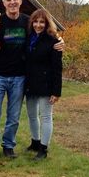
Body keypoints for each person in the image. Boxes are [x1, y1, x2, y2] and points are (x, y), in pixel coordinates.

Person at [0, 0, 64, 161]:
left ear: (20, 1)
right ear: (4, 3)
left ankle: (9, 146)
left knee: (14, 117)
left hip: (19, 77)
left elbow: (44, 34)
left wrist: (60, 41)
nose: (12, 2)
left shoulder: (28, 22)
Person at [25, 9, 62, 160]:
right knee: (32, 115)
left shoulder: (54, 42)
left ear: (47, 24)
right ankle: (35, 142)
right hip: (30, 83)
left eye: (41, 22)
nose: (38, 25)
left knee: (46, 116)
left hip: (46, 85)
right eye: (35, 21)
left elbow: (57, 68)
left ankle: (44, 148)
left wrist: (56, 91)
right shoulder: (29, 38)